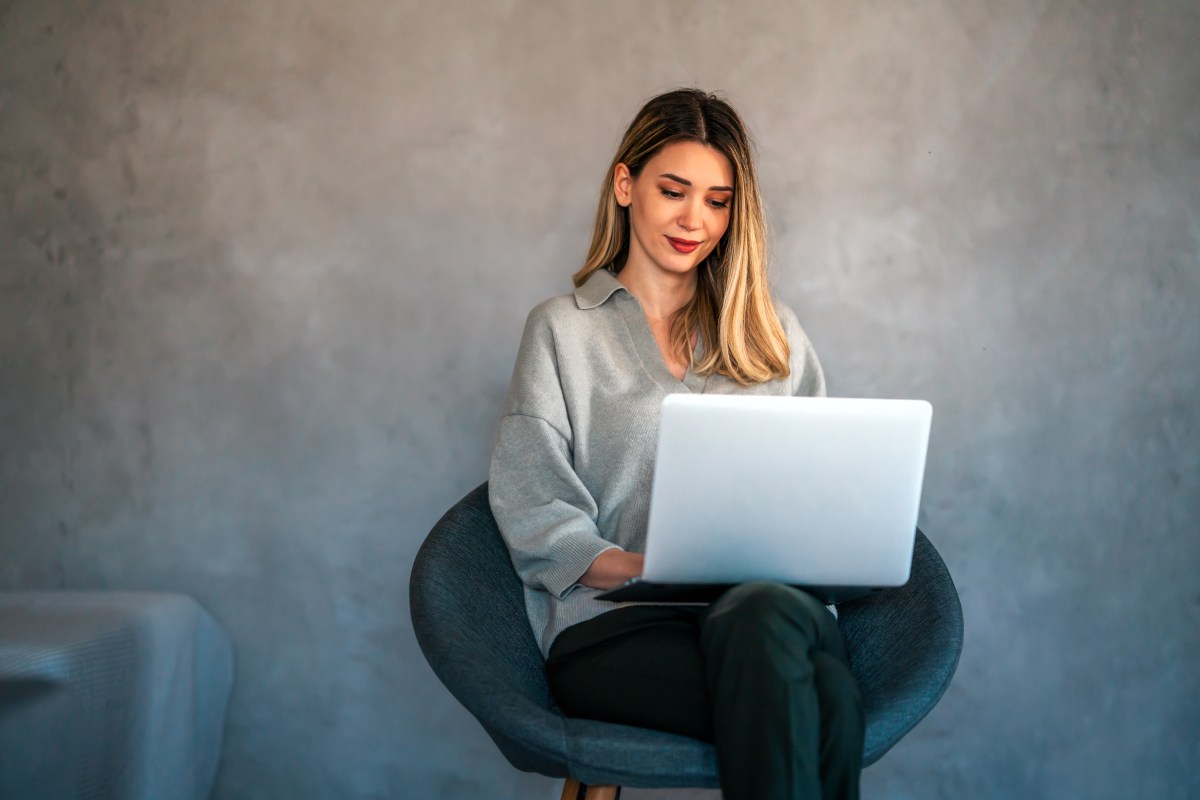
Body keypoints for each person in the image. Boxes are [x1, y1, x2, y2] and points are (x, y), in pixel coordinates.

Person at [488, 88, 863, 800]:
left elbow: (824, 489)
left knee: (765, 615)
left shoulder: (772, 333)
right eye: (674, 191)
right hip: (621, 632)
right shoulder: (562, 331)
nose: (696, 220)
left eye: (718, 201)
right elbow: (537, 509)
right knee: (827, 702)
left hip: (772, 617)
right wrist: (652, 566)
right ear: (626, 186)